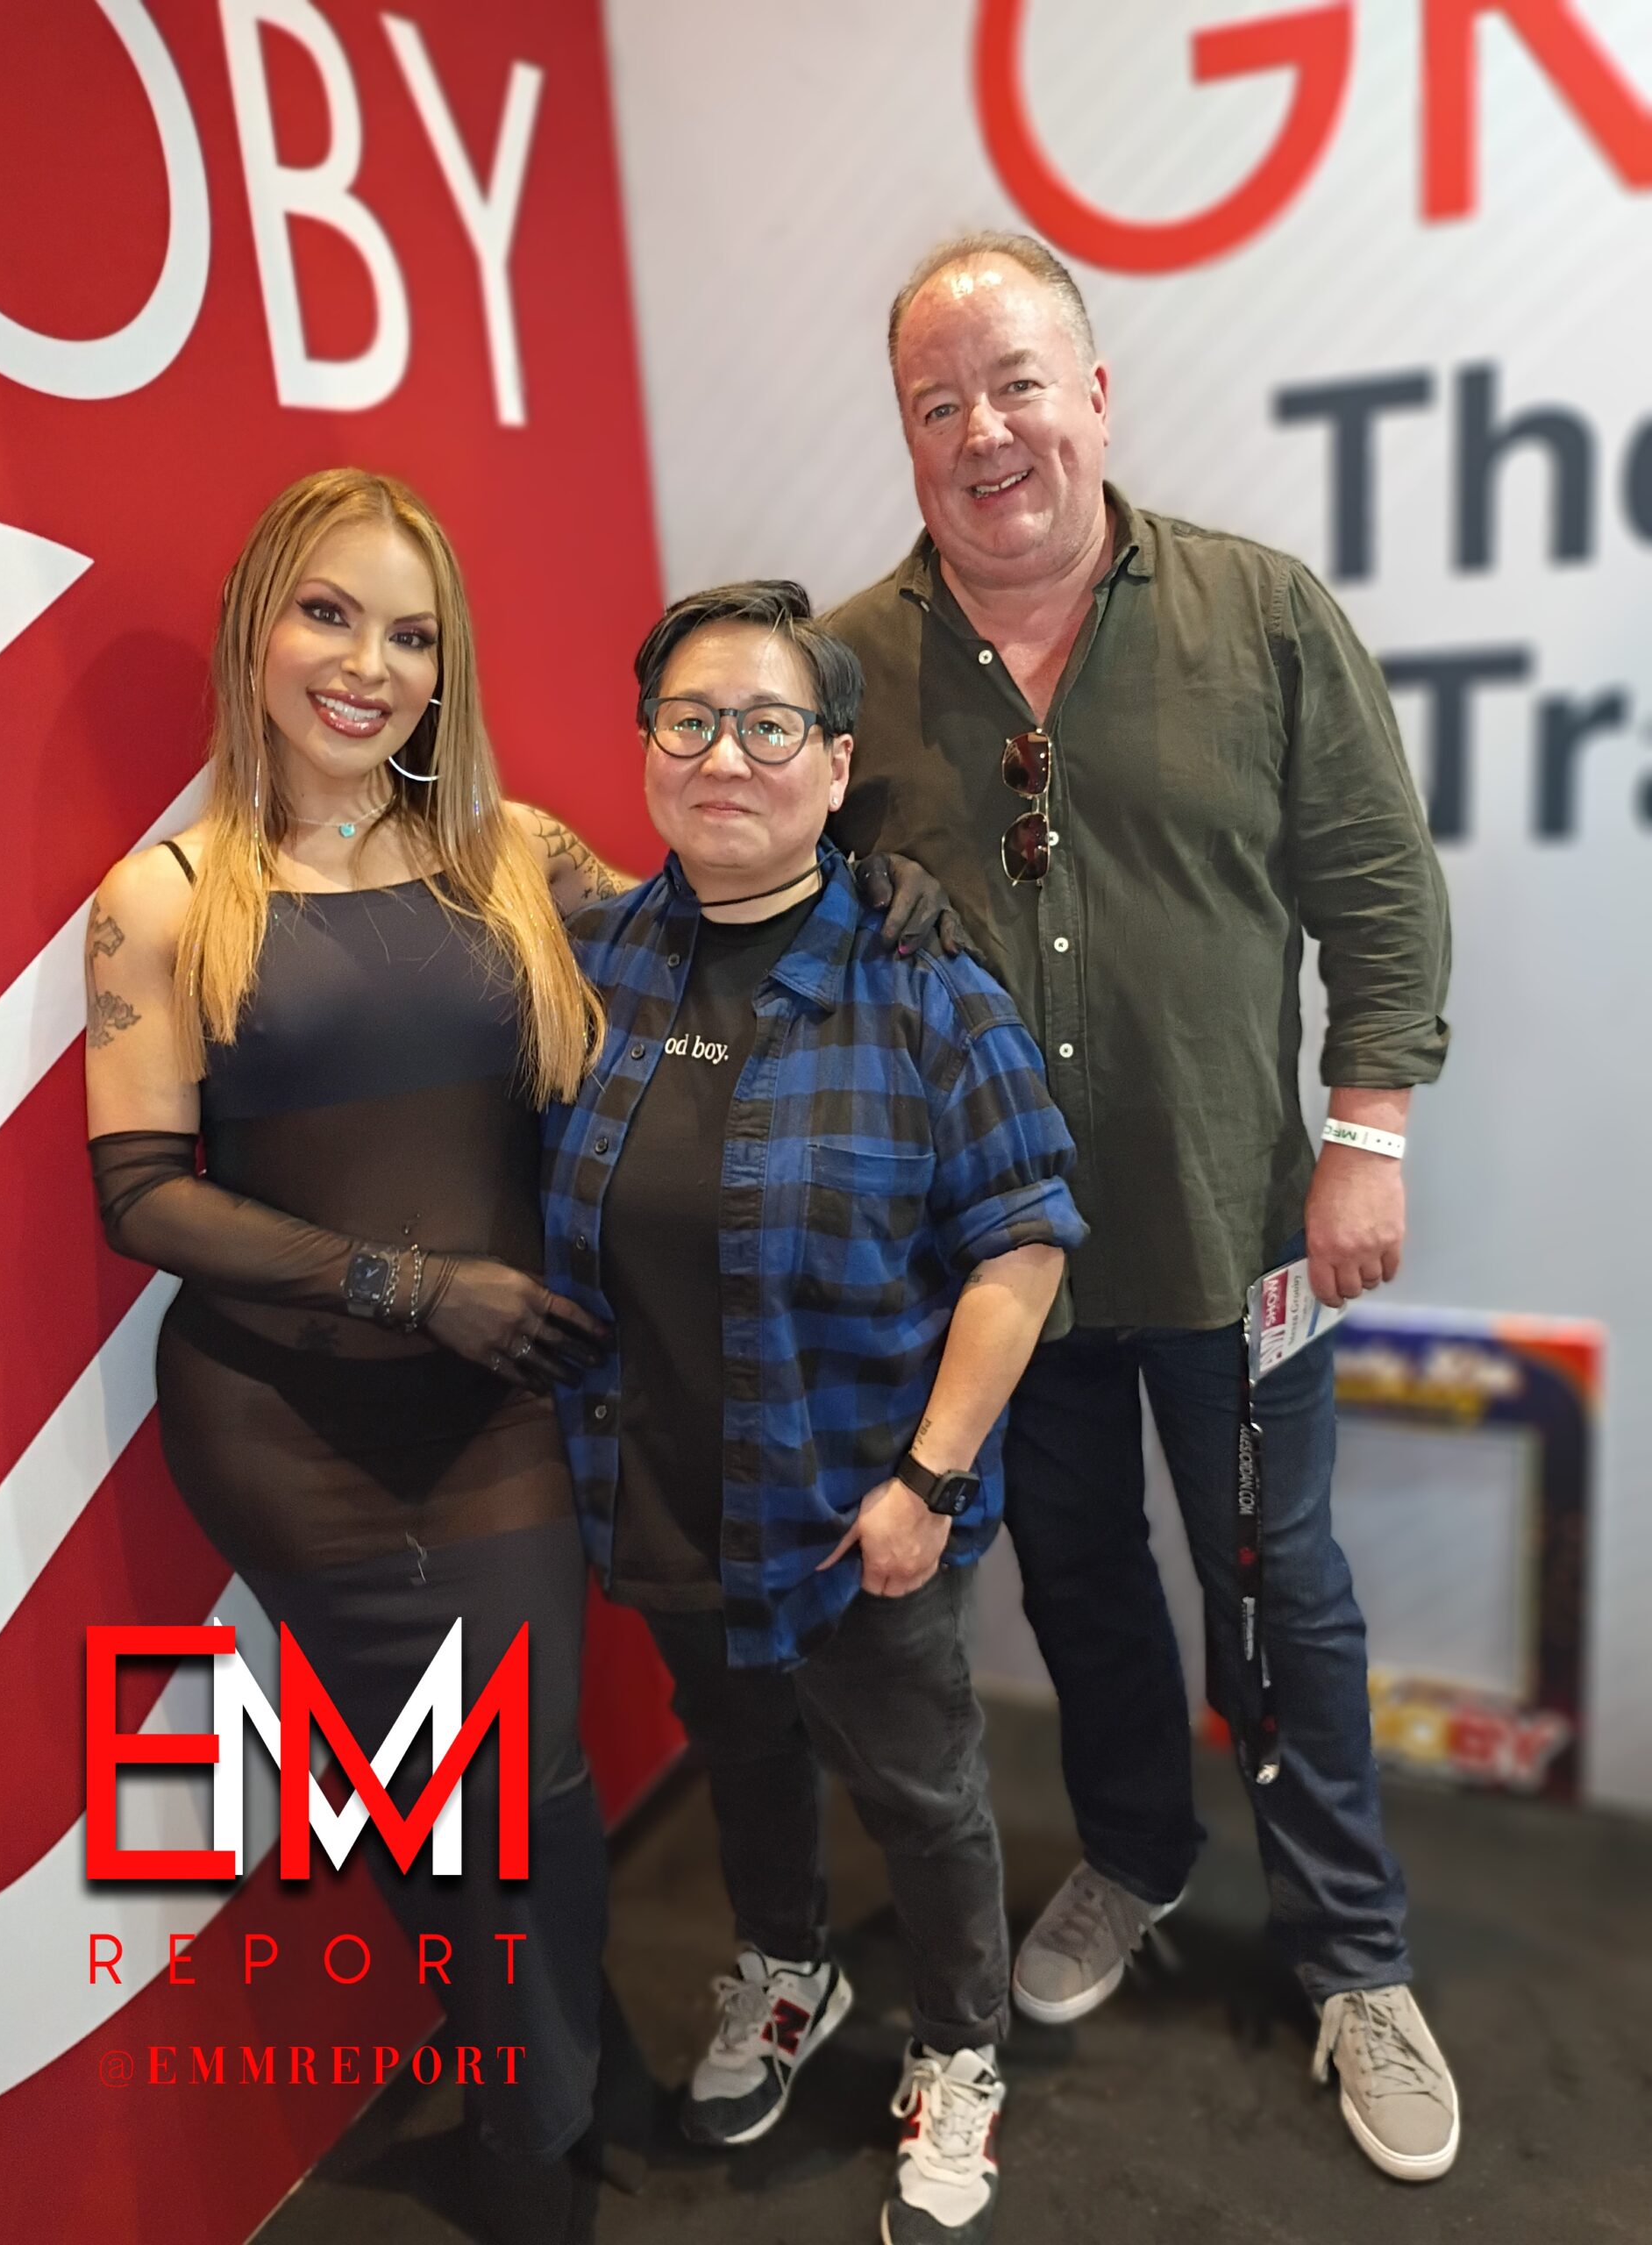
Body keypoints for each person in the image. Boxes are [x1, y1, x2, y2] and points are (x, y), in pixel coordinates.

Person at [826, 233, 1460, 2186]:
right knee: (1083, 1575)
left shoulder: (1261, 615)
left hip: (1234, 1230)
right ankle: (1134, 1850)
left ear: (1093, 396)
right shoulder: (842, 670)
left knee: (1283, 1590)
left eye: (1017, 383)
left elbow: (1377, 887)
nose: (984, 432)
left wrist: (1368, 1139)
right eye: (939, 404)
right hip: (996, 1269)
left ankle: (1353, 1952)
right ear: (908, 438)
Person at [84, 467, 656, 2245]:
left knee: (524, 1784)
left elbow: (721, 940)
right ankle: (534, 2127)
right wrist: (415, 1283)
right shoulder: (166, 894)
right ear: (257, 623)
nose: (367, 665)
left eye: (411, 635)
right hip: (283, 1427)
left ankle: (550, 2096)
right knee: (442, 1798)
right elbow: (143, 1198)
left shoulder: (517, 855)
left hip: (495, 1414)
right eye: (328, 613)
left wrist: (873, 905)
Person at [539, 581, 1087, 2244]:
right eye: (691, 720)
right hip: (659, 1477)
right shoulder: (589, 959)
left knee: (921, 1791)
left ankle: (961, 2043)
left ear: (837, 764)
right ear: (647, 745)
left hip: (860, 1505)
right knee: (743, 1752)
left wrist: (930, 1481)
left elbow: (1022, 1249)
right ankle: (788, 1968)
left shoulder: (925, 984)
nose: (727, 756)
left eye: (771, 725)